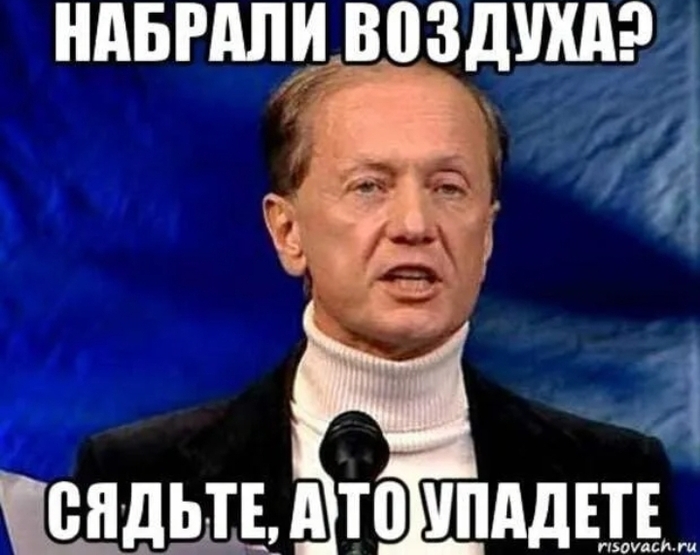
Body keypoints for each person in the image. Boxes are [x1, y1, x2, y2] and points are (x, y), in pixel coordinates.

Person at [72, 57, 677, 554]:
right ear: (288, 232)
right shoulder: (136, 480)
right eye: (369, 186)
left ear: (488, 234)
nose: (415, 224)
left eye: (448, 188)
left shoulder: (614, 480)